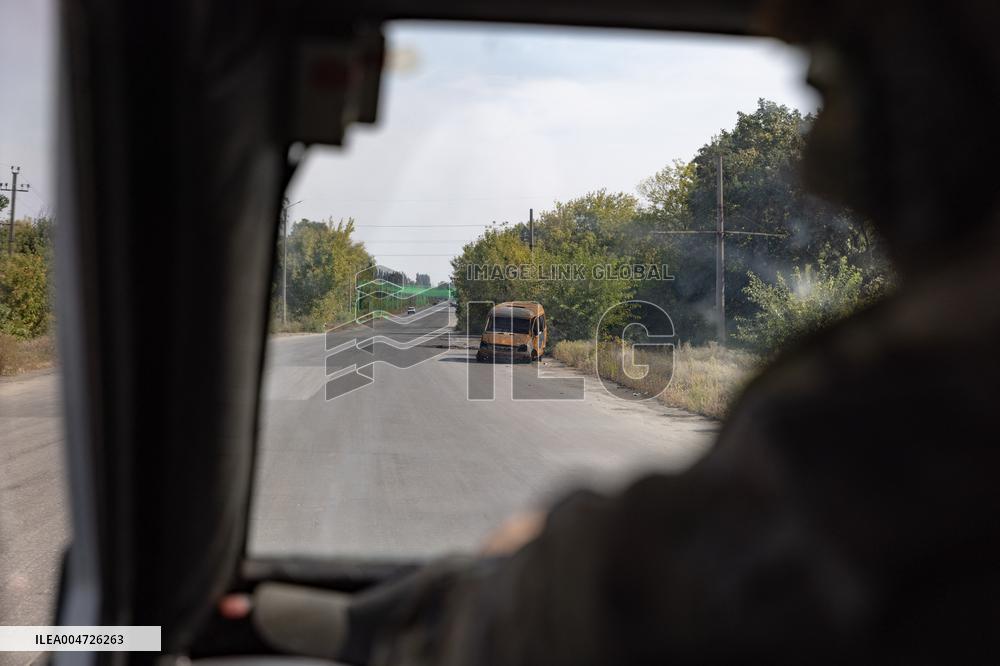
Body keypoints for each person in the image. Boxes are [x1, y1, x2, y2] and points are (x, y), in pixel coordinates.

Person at [223, 2, 1000, 663]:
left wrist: (466, 587)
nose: (812, 175)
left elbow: (617, 598)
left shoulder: (920, 395)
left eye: (833, 85)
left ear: (939, 89)